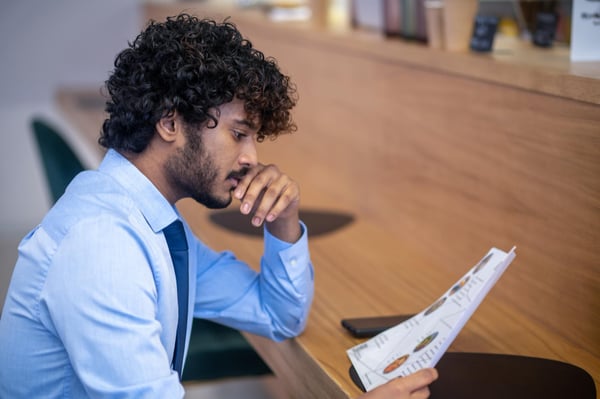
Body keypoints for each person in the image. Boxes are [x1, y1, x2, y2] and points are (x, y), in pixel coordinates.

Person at [0, 14, 436, 398]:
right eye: (238, 133)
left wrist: (283, 224)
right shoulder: (103, 247)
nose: (251, 158)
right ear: (170, 122)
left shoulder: (152, 222)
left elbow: (277, 316)